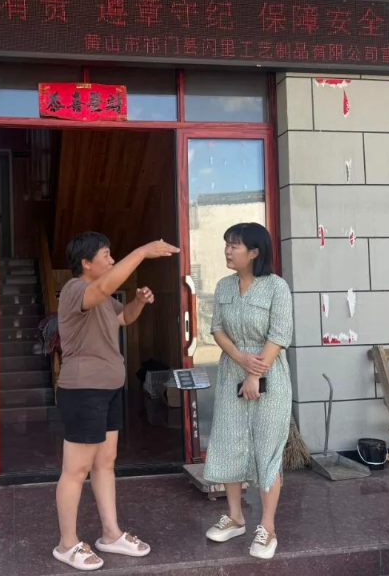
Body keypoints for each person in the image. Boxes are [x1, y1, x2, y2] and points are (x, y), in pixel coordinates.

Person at [52, 232, 179, 571]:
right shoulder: (75, 290)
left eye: (113, 255)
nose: (111, 260)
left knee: (105, 463)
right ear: (86, 262)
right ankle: (66, 544)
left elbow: (123, 318)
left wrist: (138, 301)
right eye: (106, 255)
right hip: (83, 391)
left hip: (107, 390)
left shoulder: (105, 299)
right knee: (76, 469)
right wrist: (141, 250)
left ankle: (110, 534)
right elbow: (104, 287)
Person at [202, 222, 293, 561]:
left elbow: (279, 335)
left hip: (269, 375)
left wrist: (254, 373)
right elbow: (217, 329)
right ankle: (235, 517)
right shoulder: (223, 286)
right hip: (232, 371)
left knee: (267, 449)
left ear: (254, 252)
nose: (227, 250)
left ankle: (267, 527)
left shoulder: (276, 287)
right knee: (229, 441)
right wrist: (240, 358)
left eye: (234, 245)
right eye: (226, 244)